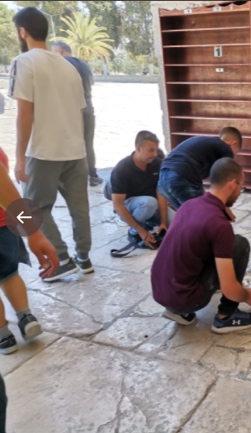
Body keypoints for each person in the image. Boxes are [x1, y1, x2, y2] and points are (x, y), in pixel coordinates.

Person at [9, 7, 93, 282]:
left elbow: (25, 113)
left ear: (23, 32)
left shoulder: (24, 62)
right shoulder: (68, 66)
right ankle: (84, 257)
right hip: (75, 151)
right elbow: (81, 111)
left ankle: (62, 258)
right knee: (79, 208)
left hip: (43, 151)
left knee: (30, 208)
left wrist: (19, 157)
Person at [151, 157, 251, 333]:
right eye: (242, 186)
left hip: (161, 292)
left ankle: (179, 312)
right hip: (185, 300)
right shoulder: (219, 224)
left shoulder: (188, 205)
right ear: (232, 184)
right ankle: (226, 316)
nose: (241, 192)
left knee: (210, 245)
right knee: (239, 244)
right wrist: (249, 295)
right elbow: (230, 288)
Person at [0, 149, 59, 433]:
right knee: (9, 274)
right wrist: (33, 231)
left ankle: (4, 335)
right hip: (3, 226)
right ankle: (25, 316)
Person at [51, 40, 103, 187]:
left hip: (70, 111)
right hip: (88, 109)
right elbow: (89, 84)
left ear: (60, 51)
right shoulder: (85, 65)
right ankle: (92, 175)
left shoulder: (61, 64)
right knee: (87, 143)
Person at [110, 130, 173, 249]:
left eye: (155, 150)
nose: (155, 154)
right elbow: (117, 205)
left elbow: (160, 194)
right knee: (149, 202)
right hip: (130, 205)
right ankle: (134, 233)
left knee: (177, 222)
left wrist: (163, 223)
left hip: (151, 205)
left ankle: (148, 223)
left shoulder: (157, 164)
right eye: (151, 150)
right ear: (138, 148)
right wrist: (140, 231)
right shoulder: (122, 169)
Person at [158, 127, 242, 210]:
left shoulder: (207, 144)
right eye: (236, 152)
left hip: (162, 179)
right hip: (181, 176)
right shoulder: (225, 147)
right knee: (202, 214)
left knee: (187, 215)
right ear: (233, 143)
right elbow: (225, 180)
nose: (234, 155)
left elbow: (197, 182)